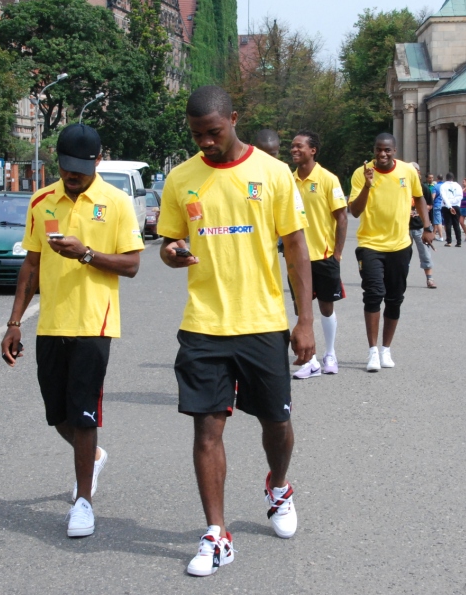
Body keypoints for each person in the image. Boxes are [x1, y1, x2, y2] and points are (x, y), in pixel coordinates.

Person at [158, 86, 315, 576]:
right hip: (203, 324)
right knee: (206, 429)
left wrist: (305, 320)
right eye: (196, 135)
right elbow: (169, 241)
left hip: (262, 322)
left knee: (277, 424)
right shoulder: (181, 178)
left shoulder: (272, 174)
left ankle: (278, 485)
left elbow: (296, 247)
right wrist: (171, 252)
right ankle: (217, 533)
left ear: (233, 119)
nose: (205, 142)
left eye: (213, 132)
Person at [0, 124, 143, 539]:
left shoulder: (115, 202)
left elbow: (132, 265)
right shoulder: (41, 201)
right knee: (57, 415)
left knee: (83, 413)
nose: (72, 174)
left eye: (80, 167)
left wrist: (87, 254)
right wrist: (14, 323)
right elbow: (31, 264)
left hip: (94, 324)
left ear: (97, 161)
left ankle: (83, 502)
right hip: (51, 324)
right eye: (65, 166)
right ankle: (92, 456)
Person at [348, 134, 434, 372]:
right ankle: (372, 351)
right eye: (378, 150)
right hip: (370, 244)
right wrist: (367, 185)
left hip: (400, 245)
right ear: (374, 150)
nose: (382, 154)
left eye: (387, 150)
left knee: (395, 299)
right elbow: (355, 211)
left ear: (394, 150)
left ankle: (386, 349)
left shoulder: (407, 171)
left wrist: (428, 227)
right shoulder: (361, 173)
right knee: (373, 294)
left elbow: (419, 198)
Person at [290, 130, 348, 378]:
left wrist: (337, 253)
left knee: (326, 307)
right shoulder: (288, 180)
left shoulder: (328, 179)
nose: (294, 150)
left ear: (312, 150)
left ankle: (330, 354)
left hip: (324, 256)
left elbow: (342, 217)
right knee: (302, 311)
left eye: (299, 146)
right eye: (292, 146)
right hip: (297, 259)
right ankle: (311, 361)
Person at [408, 162, 436, 289]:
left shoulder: (423, 188)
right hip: (404, 227)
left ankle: (430, 278)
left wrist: (418, 212)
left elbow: (429, 205)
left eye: (414, 171)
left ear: (418, 172)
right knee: (402, 255)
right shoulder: (402, 187)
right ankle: (400, 279)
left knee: (425, 253)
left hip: (419, 226)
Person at [438, 173, 463, 247]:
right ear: (453, 178)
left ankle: (449, 241)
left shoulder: (443, 186)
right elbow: (460, 196)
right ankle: (459, 242)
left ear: (446, 178)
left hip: (446, 206)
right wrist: (453, 202)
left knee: (448, 223)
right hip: (456, 206)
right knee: (456, 224)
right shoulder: (458, 185)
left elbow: (444, 197)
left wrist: (449, 205)